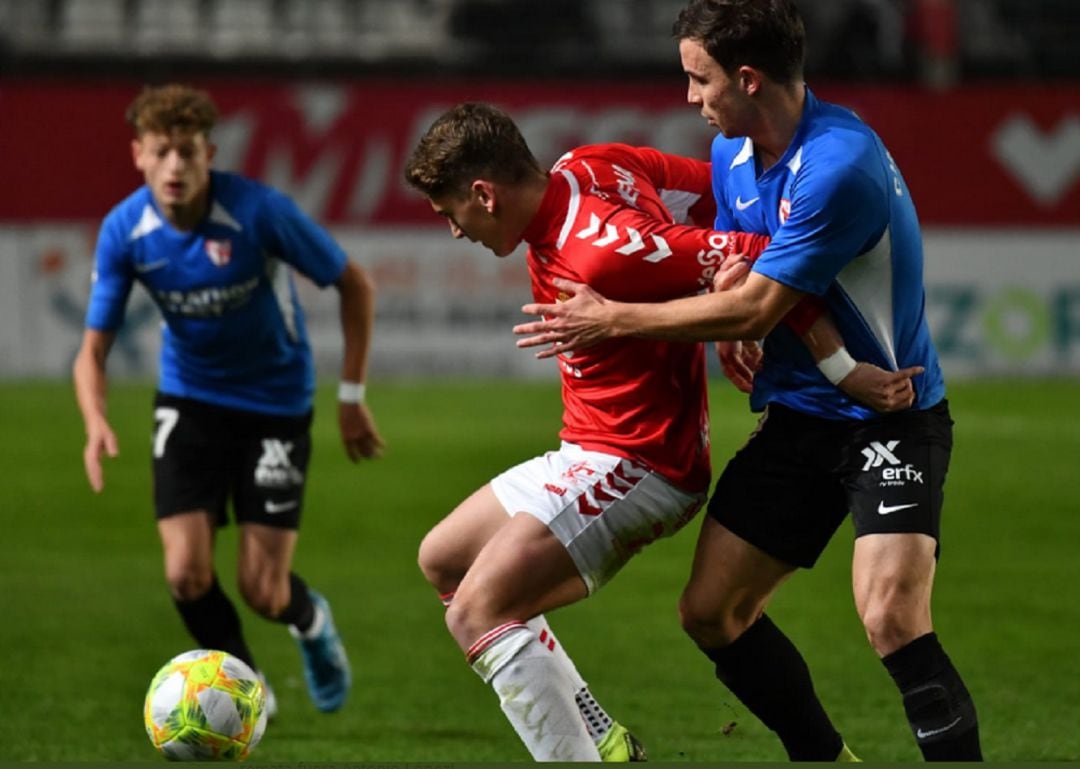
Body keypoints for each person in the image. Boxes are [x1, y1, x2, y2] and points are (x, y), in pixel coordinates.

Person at [513, 0, 982, 761]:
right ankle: (824, 758)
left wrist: (616, 318)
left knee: (891, 617)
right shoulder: (734, 160)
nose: (690, 98)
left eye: (700, 80)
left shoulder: (839, 166)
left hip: (889, 417)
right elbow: (755, 279)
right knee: (711, 611)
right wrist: (755, 321)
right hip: (804, 418)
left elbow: (759, 300)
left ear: (749, 78)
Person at [404, 102, 917, 761]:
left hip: (638, 465)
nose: (453, 230)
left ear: (485, 193)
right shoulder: (590, 163)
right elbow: (720, 188)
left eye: (452, 213)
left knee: (476, 610)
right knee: (443, 559)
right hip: (586, 446)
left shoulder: (605, 248)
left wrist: (835, 365)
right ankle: (600, 733)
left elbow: (777, 256)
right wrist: (719, 291)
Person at [73, 84, 383, 716]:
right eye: (161, 153)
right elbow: (92, 349)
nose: (175, 168)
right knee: (185, 575)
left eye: (187, 153)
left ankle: (311, 622)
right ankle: (249, 688)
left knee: (263, 590)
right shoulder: (125, 231)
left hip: (275, 404)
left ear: (209, 152)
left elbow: (354, 284)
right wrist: (95, 418)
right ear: (139, 155)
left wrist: (351, 395)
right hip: (190, 401)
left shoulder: (260, 212)